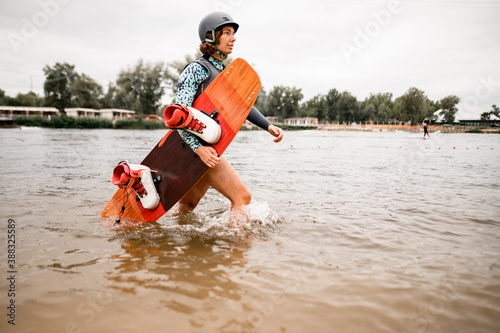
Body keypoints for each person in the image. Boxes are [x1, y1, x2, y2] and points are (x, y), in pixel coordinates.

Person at [173, 12, 283, 220]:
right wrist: (199, 149)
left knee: (187, 207)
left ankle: (182, 250)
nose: (233, 38)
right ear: (211, 36)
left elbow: (241, 105)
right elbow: (178, 115)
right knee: (242, 197)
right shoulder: (196, 69)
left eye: (233, 34)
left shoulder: (223, 73)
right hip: (197, 150)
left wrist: (268, 126)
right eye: (227, 33)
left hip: (203, 150)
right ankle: (235, 251)